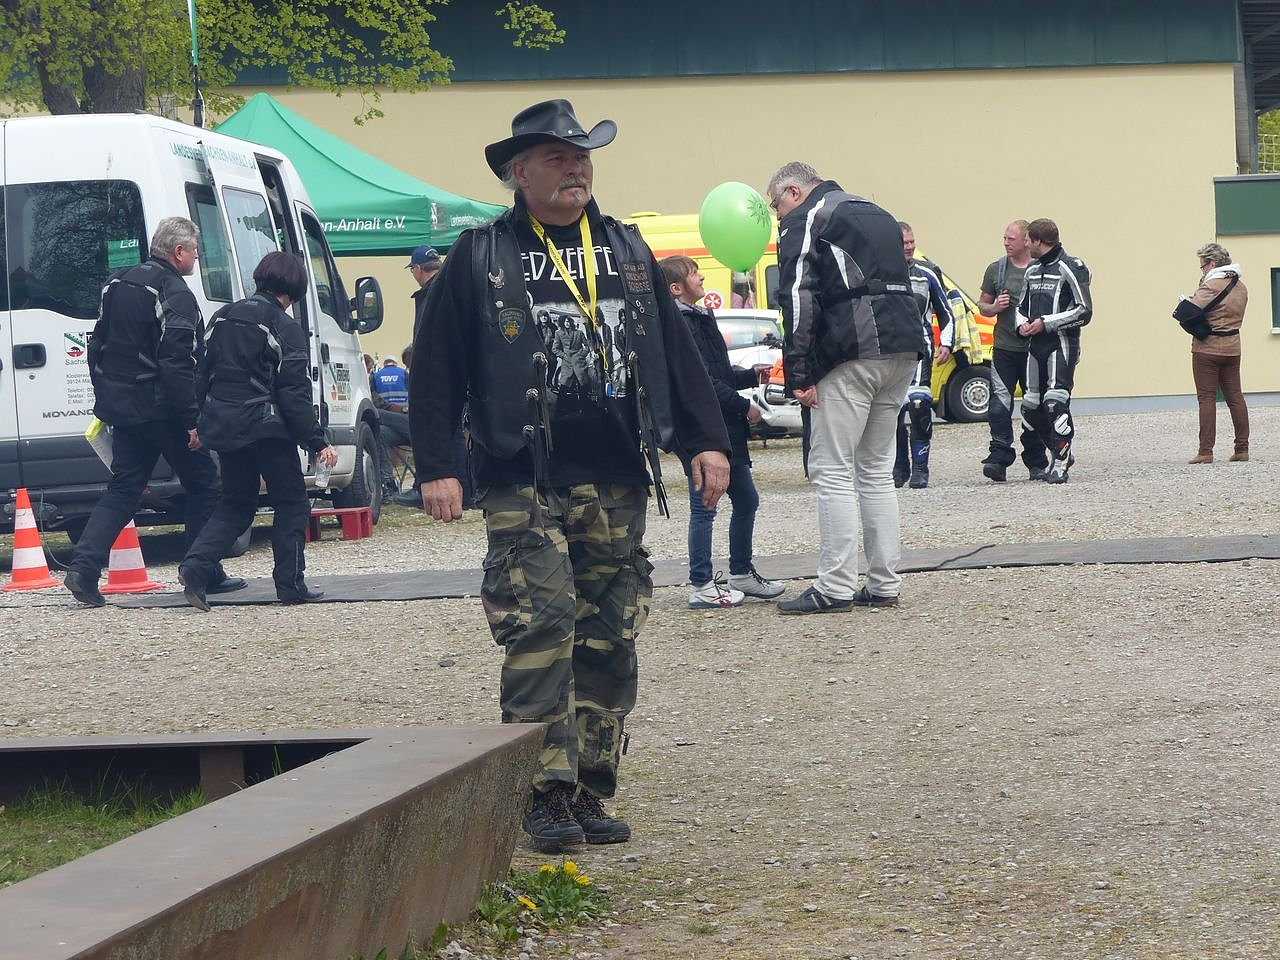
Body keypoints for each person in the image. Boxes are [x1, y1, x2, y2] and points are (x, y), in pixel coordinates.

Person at [406, 99, 730, 853]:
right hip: (522, 472)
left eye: (582, 157)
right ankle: (540, 792)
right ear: (520, 173)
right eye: (558, 158)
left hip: (616, 471)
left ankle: (587, 785)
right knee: (541, 621)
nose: (577, 169)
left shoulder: (626, 249)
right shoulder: (481, 255)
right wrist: (437, 467)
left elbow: (676, 355)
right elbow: (437, 368)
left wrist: (707, 441)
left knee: (610, 630)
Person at [765, 162, 924, 615]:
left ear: (792, 191)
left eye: (776, 206)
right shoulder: (877, 211)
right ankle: (883, 583)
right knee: (876, 469)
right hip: (903, 345)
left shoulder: (808, 217)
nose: (778, 216)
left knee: (832, 470)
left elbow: (797, 295)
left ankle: (834, 586)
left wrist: (798, 372)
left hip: (851, 349)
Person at [65, 217, 244, 607]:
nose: (197, 257)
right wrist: (192, 419)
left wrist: (106, 398)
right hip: (163, 410)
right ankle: (201, 569)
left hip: (124, 409)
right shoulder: (173, 291)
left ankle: (82, 569)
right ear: (178, 252)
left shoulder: (116, 283)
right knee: (205, 484)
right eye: (194, 250)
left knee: (124, 489)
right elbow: (177, 362)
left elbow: (97, 347)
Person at [178, 252, 337, 610]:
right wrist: (317, 440)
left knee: (235, 504)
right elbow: (294, 393)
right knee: (292, 503)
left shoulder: (222, 317)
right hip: (268, 429)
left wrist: (196, 422)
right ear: (295, 288)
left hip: (226, 426)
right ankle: (290, 584)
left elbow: (200, 374)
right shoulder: (284, 327)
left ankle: (195, 567)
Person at [659, 255, 785, 608]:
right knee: (705, 505)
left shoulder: (701, 317)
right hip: (701, 428)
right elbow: (699, 382)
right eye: (694, 273)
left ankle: (741, 572)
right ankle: (701, 584)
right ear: (676, 288)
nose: (701, 277)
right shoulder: (680, 324)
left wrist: (749, 376)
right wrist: (745, 406)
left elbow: (718, 372)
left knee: (746, 499)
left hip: (724, 425)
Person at [1015, 218, 1092, 483]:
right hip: (1034, 346)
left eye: (1028, 240)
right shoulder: (1031, 270)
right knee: (1030, 406)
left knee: (1055, 403)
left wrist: (1046, 323)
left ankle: (1060, 464)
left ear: (1038, 241)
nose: (1025, 244)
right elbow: (1021, 306)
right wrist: (1022, 325)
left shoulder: (1070, 267)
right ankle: (1059, 450)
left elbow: (1085, 310)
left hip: (1061, 344)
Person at [400, 243, 475, 510]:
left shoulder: (431, 294)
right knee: (456, 431)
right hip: (462, 373)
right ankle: (465, 488)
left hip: (440, 372)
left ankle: (460, 488)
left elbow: (428, 341)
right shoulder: (450, 286)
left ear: (418, 269)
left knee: (448, 429)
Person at [978, 220, 1048, 482]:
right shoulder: (996, 270)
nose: (1006, 243)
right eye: (1004, 238)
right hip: (1004, 348)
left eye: (1011, 239)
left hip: (1033, 350)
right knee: (998, 405)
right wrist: (995, 307)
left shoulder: (1042, 269)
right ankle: (999, 457)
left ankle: (1036, 461)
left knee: (1034, 406)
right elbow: (983, 305)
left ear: (1026, 241)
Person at [895, 222, 955, 489]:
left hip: (920, 349)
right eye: (904, 243)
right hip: (889, 353)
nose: (909, 247)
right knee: (891, 412)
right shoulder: (879, 273)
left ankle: (921, 468)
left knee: (919, 406)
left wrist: (947, 343)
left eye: (912, 242)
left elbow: (946, 312)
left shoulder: (927, 274)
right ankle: (899, 466)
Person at [1184, 242, 1249, 464]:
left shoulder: (1210, 285)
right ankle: (1242, 448)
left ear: (1211, 264)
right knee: (1235, 397)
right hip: (1233, 347)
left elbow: (1191, 310)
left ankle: (1205, 451)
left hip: (1207, 349)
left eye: (1203, 266)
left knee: (1207, 399)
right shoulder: (1241, 287)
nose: (1202, 270)